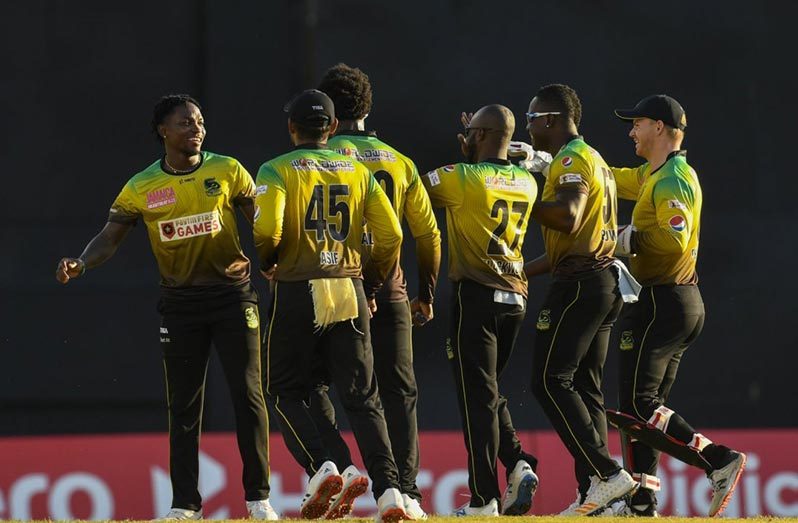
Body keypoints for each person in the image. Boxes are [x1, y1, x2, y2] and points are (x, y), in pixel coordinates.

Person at [55, 94, 276, 520]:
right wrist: (81, 262)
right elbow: (109, 237)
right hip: (180, 305)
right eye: (186, 123)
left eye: (200, 122)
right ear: (163, 131)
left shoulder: (227, 170)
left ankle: (258, 499)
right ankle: (185, 505)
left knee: (248, 395)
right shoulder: (142, 186)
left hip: (232, 296)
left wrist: (276, 259)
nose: (197, 129)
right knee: (184, 405)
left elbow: (264, 223)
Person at [253, 89, 408, 523]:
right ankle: (391, 493)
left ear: (291, 127)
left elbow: (267, 228)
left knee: (283, 390)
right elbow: (392, 235)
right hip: (349, 286)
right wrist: (372, 283)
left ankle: (322, 466)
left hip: (299, 287)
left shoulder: (276, 169)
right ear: (333, 128)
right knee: (364, 397)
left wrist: (269, 261)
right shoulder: (358, 171)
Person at [305, 63, 442, 520]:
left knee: (318, 384)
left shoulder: (321, 155)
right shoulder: (399, 161)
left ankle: (338, 467)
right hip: (393, 289)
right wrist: (426, 293)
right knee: (399, 392)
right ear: (368, 107)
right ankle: (407, 494)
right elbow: (428, 235)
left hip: (338, 289)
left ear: (325, 111)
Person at [610, 94, 746, 517]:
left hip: (664, 300)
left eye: (638, 123)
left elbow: (674, 239)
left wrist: (623, 239)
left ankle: (718, 460)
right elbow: (611, 179)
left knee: (636, 406)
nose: (631, 130)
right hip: (670, 301)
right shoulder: (654, 174)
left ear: (660, 128)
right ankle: (642, 499)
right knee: (645, 411)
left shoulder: (674, 179)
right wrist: (552, 164)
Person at [521, 83, 637, 516]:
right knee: (585, 389)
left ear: (550, 119)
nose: (529, 126)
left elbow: (568, 218)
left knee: (549, 381)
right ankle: (602, 495)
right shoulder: (595, 161)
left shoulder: (571, 159)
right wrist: (521, 271)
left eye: (531, 119)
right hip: (601, 281)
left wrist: (523, 192)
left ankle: (606, 475)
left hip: (581, 285)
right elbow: (572, 240)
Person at [421, 104, 540, 517]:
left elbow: (413, 192)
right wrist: (484, 143)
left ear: (484, 135)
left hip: (477, 297)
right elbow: (503, 157)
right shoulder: (527, 182)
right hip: (516, 299)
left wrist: (467, 155)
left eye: (471, 131)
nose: (465, 137)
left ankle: (483, 499)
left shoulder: (461, 177)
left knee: (477, 400)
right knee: (486, 392)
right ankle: (520, 463)